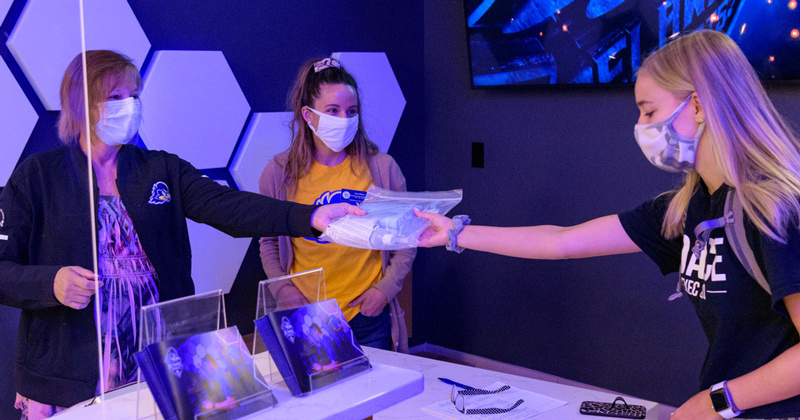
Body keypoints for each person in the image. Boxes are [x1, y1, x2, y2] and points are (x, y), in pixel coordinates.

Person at [415, 30, 800, 420]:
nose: (641, 125)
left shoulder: (773, 206)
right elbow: (562, 242)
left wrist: (719, 400)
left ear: (698, 106)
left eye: (649, 111)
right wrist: (454, 232)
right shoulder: (688, 208)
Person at [0, 50, 363, 420]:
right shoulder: (37, 177)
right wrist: (51, 283)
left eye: (134, 96)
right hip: (68, 376)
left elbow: (230, 206)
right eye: (115, 97)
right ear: (81, 104)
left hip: (161, 366)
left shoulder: (161, 168)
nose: (130, 106)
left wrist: (311, 216)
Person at [259, 57, 415, 352]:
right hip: (308, 316)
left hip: (367, 316)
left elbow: (406, 239)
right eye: (333, 111)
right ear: (307, 115)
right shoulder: (278, 174)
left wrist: (384, 291)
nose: (344, 119)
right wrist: (283, 288)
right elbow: (268, 241)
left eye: (351, 111)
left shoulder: (382, 168)